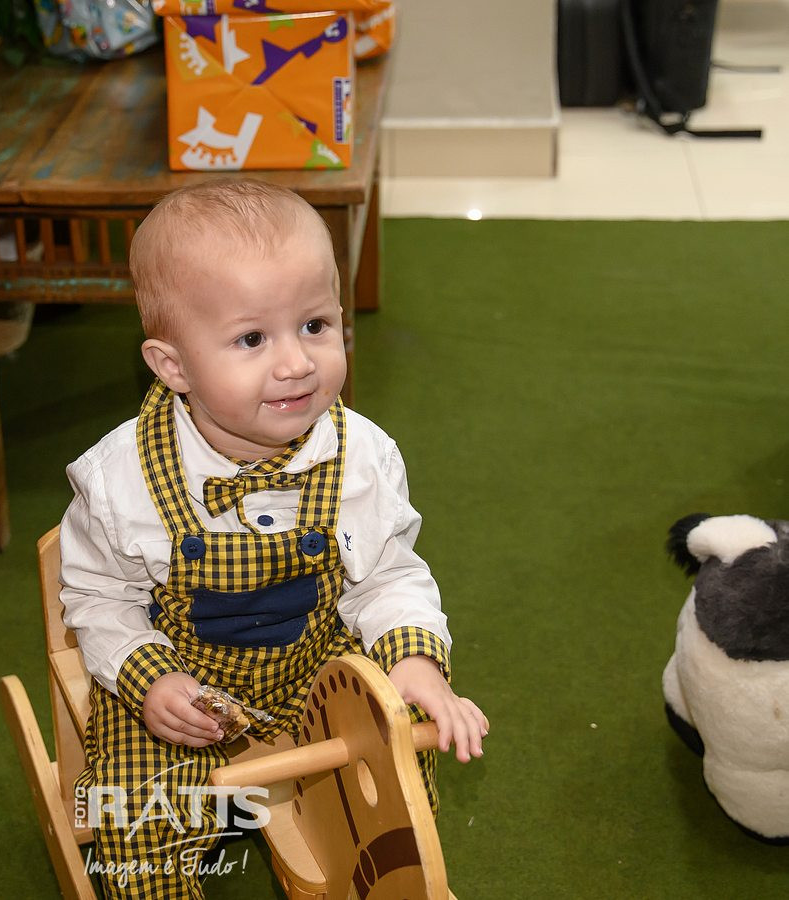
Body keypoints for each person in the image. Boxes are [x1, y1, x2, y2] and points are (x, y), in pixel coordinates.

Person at [59, 178, 487, 898]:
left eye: (315, 325)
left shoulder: (361, 456)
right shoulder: (119, 478)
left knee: (396, 734)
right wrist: (151, 680)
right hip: (183, 682)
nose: (295, 363)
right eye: (252, 339)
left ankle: (385, 876)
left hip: (312, 666)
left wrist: (413, 659)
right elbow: (98, 600)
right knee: (138, 803)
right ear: (172, 366)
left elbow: (387, 575)